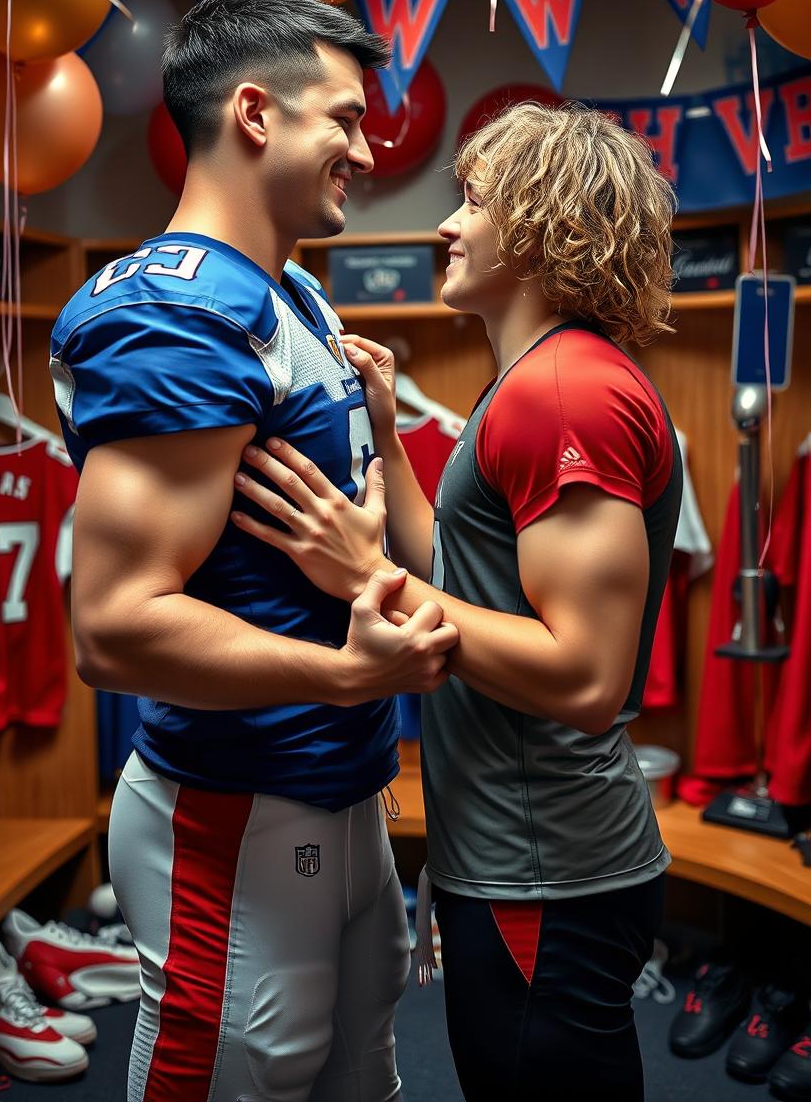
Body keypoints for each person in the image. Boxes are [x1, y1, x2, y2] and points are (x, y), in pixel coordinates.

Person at [48, 0, 458, 1102]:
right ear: (255, 114)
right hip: (238, 802)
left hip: (345, 777)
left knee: (361, 1075)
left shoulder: (297, 301)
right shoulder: (172, 314)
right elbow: (115, 627)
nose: (367, 153)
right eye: (346, 117)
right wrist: (341, 670)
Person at [230, 102, 684, 1102]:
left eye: (470, 200)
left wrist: (366, 581)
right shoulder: (536, 380)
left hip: (550, 871)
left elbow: (582, 673)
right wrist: (391, 444)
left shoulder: (563, 390)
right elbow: (472, 586)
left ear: (536, 225)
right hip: (528, 858)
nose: (445, 223)